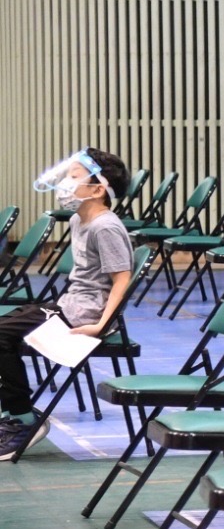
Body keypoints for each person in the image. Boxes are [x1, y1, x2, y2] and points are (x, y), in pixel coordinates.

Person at [0, 149, 132, 460]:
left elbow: (122, 280)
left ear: (97, 190)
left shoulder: (105, 226)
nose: (65, 183)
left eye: (74, 177)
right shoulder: (77, 219)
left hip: (85, 314)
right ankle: (13, 413)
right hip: (69, 305)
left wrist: (101, 325)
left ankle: (23, 421)